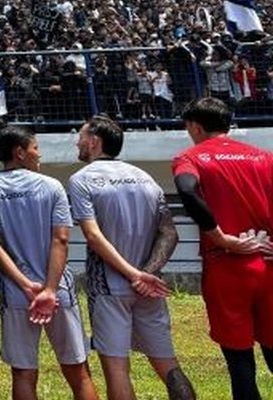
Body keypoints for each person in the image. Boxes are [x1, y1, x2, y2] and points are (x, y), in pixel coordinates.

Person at [69, 114, 196, 400]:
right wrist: (146, 274)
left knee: (117, 371)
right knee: (170, 367)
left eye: (80, 136)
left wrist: (132, 275)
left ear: (94, 141)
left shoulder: (81, 180)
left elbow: (93, 236)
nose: (77, 141)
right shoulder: (145, 177)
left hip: (109, 289)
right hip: (149, 288)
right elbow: (170, 233)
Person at [172, 97, 273, 400]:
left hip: (226, 266)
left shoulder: (190, 158)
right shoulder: (264, 157)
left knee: (240, 364)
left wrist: (220, 237)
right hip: (268, 263)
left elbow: (188, 191)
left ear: (195, 126)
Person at [0, 126, 98, 400]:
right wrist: (49, 289)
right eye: (35, 148)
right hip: (58, 291)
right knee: (77, 370)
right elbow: (61, 239)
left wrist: (25, 285)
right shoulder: (51, 186)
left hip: (16, 292)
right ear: (20, 153)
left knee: (23, 373)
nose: (40, 154)